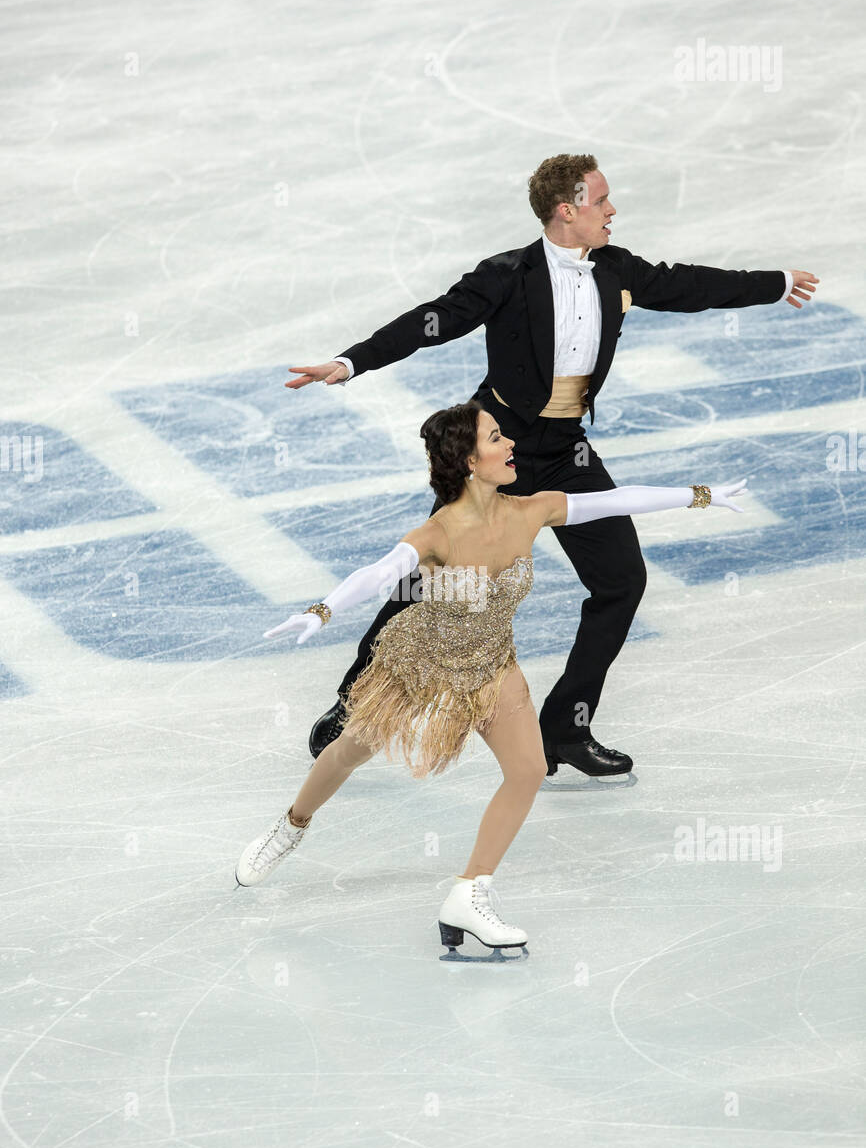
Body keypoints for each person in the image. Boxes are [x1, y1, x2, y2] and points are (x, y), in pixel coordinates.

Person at [285, 153, 817, 779]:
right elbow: (431, 322)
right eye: (601, 201)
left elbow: (689, 286)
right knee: (429, 577)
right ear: (569, 210)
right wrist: (350, 363)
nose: (612, 211)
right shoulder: (507, 274)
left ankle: (566, 726)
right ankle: (354, 702)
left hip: (567, 449)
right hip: (497, 449)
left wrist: (774, 283)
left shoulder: (616, 268)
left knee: (621, 581)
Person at [236, 400, 748, 961]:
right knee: (349, 751)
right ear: (468, 461)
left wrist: (701, 495)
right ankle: (290, 826)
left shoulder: (531, 510)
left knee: (528, 770)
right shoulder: (436, 532)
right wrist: (322, 610)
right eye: (498, 438)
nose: (512, 447)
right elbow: (380, 572)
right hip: (421, 660)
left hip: (491, 664)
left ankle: (469, 891)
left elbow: (615, 500)